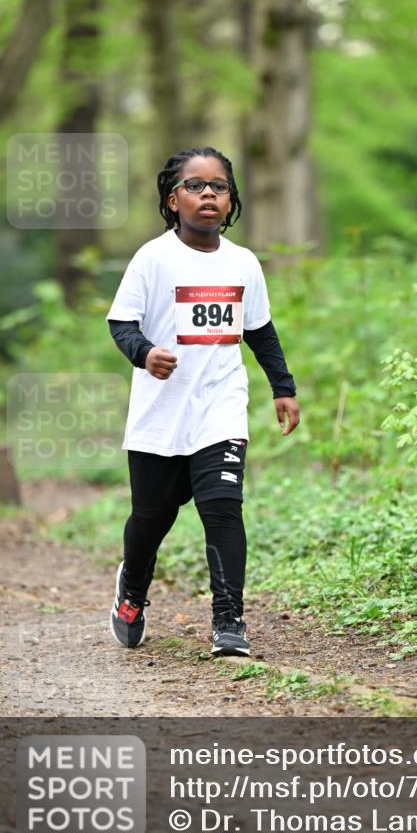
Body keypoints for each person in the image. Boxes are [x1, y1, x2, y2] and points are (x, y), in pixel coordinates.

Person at [105, 146, 300, 656]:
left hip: (221, 406)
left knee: (222, 507)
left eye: (219, 186)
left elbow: (259, 330)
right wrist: (145, 354)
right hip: (160, 412)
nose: (208, 193)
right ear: (173, 200)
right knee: (151, 517)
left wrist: (283, 387)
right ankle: (132, 590)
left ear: (231, 200)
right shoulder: (153, 258)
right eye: (195, 186)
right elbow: (120, 323)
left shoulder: (243, 263)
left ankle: (229, 621)